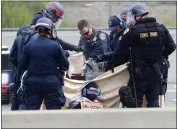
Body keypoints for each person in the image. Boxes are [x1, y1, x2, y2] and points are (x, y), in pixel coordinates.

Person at [103, 3, 176, 107]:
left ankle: (138, 122)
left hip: (139, 74)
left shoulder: (132, 32)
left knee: (136, 103)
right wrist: (160, 56)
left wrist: (109, 65)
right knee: (153, 102)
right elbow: (172, 46)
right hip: (156, 71)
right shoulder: (161, 28)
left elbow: (119, 55)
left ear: (137, 16)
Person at [19, 17, 69, 110]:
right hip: (52, 83)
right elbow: (66, 66)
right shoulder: (56, 45)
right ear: (50, 31)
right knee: (54, 113)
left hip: (33, 83)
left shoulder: (29, 45)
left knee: (31, 113)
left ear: (37, 30)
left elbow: (22, 65)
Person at [17, 1, 82, 52]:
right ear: (51, 14)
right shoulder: (39, 19)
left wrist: (74, 47)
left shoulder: (46, 25)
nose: (56, 21)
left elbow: (56, 40)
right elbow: (39, 42)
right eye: (56, 18)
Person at [9, 16, 40, 110]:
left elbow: (12, 56)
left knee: (16, 98)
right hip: (28, 74)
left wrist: (18, 65)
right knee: (25, 100)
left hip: (17, 74)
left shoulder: (20, 34)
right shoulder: (35, 37)